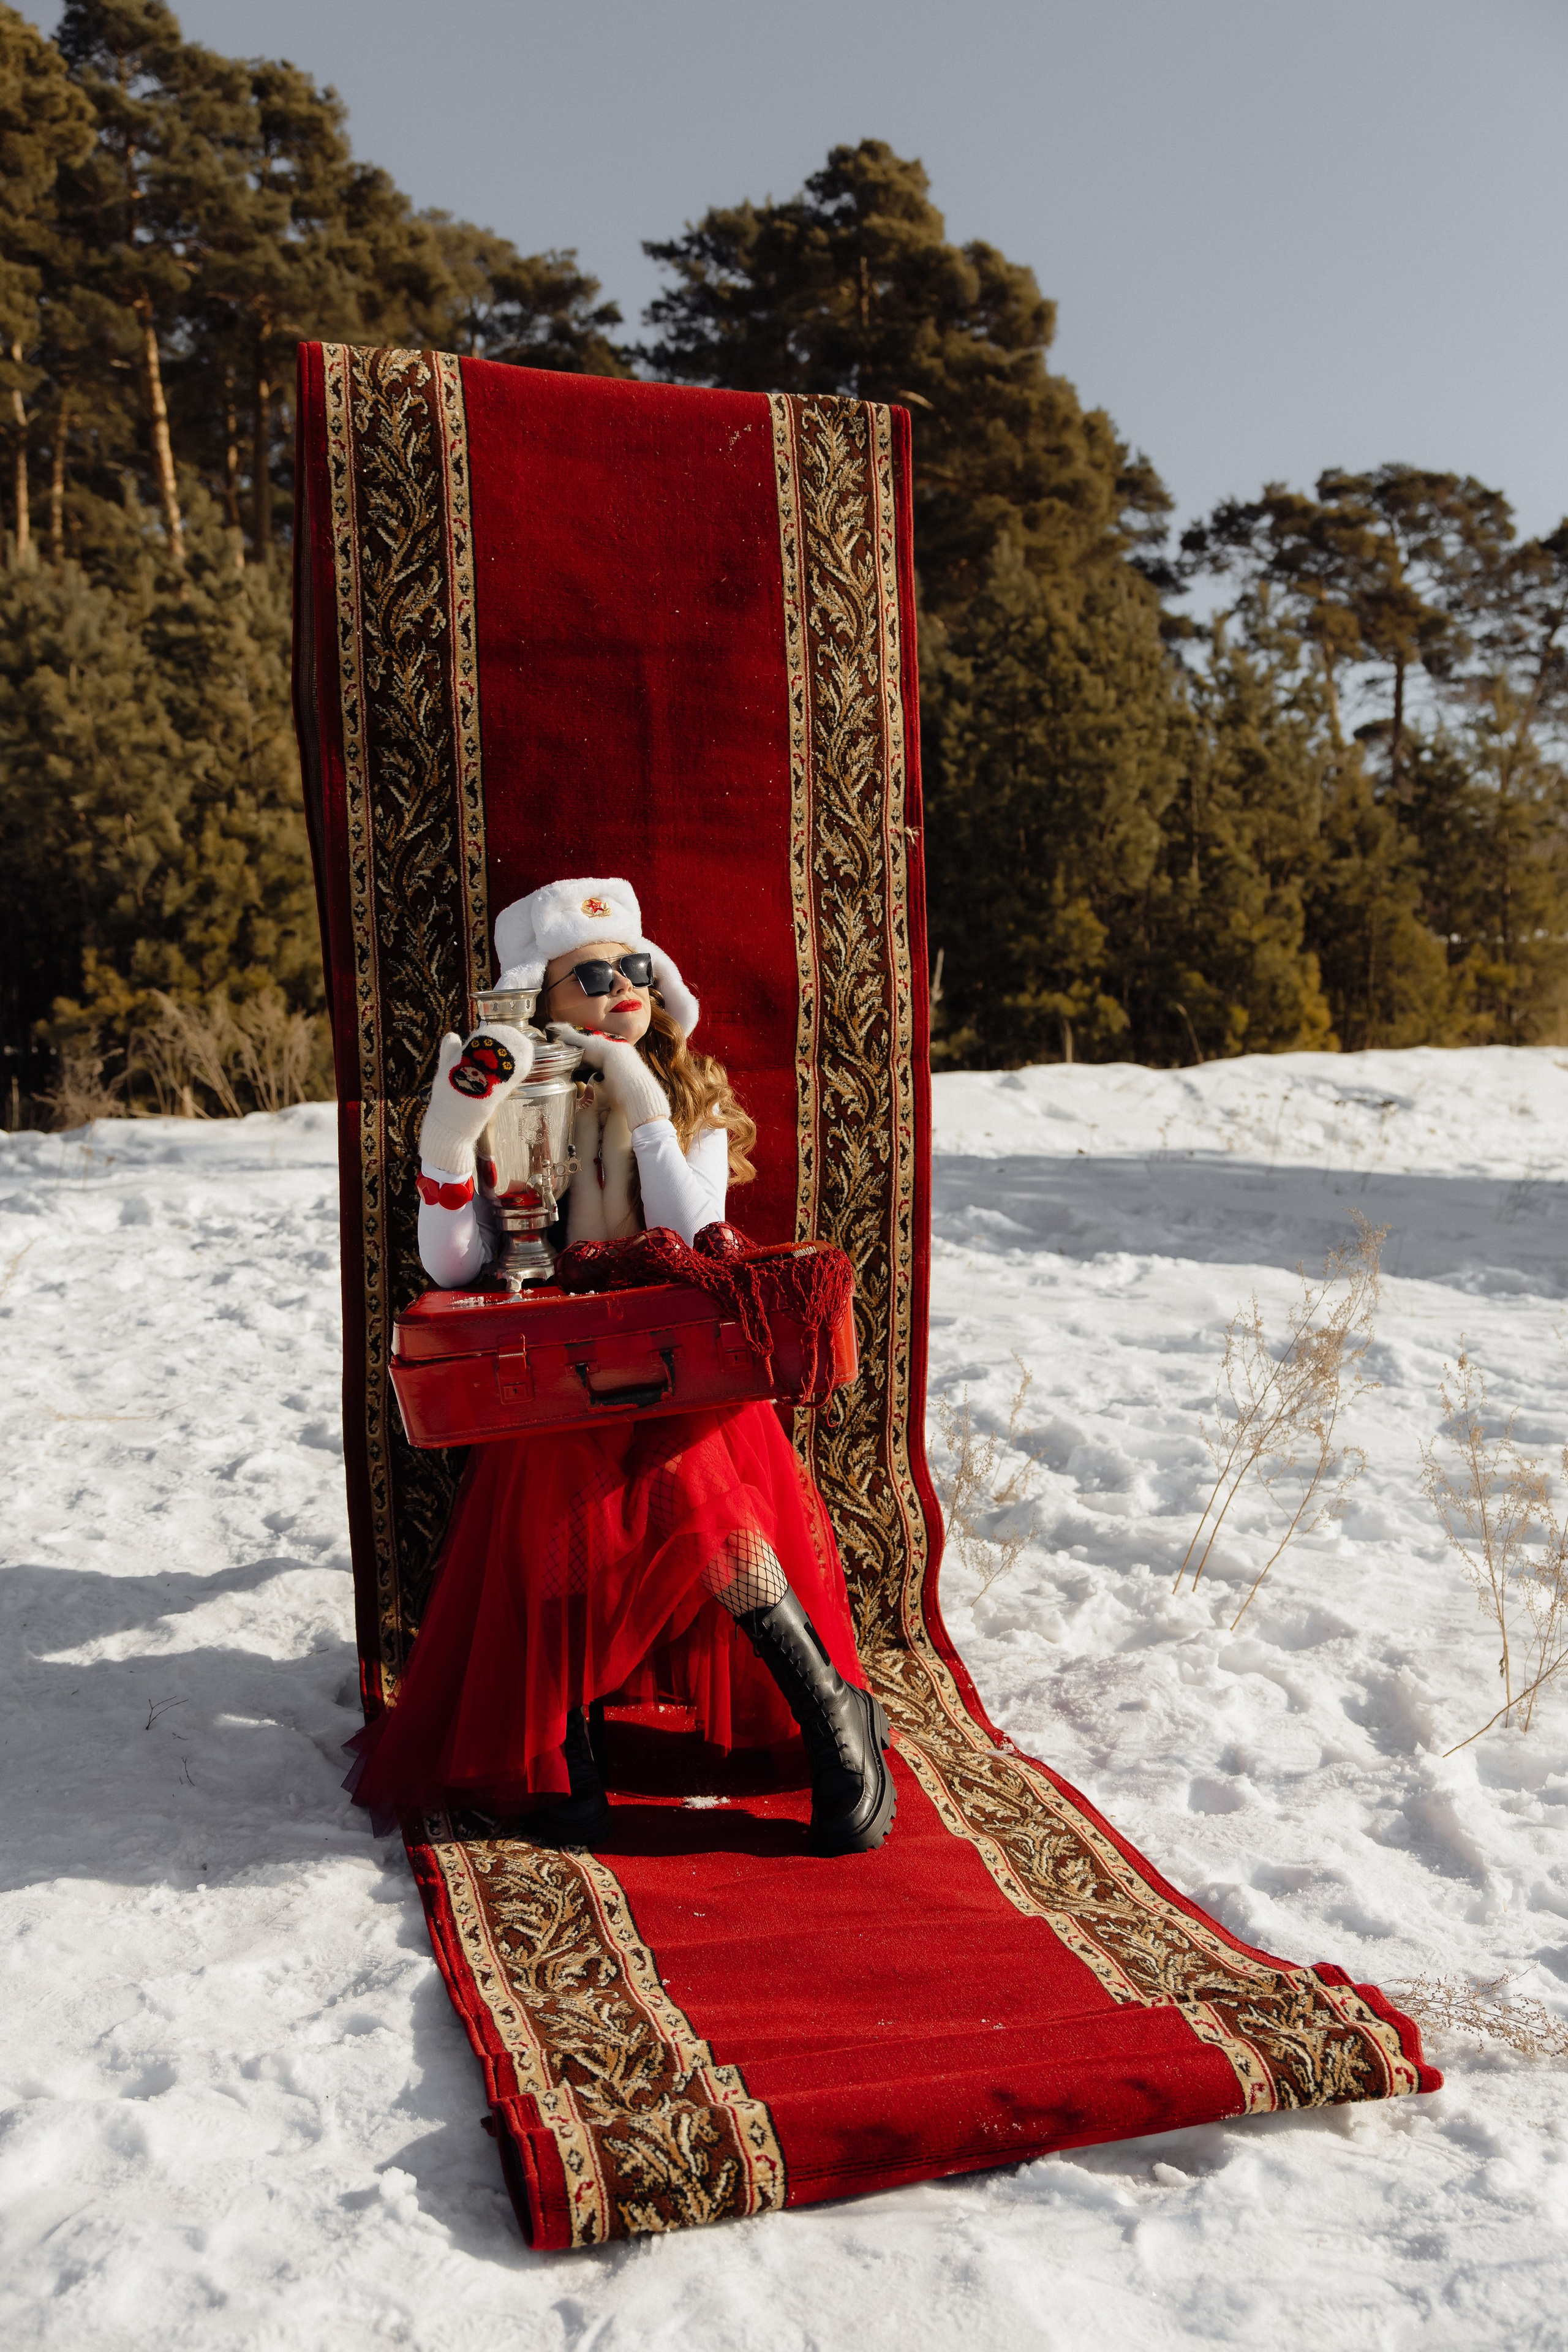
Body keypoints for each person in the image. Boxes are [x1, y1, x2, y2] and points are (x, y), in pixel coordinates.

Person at [347, 876, 895, 1856]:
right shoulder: (518, 1099)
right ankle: (566, 1748)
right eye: (589, 976)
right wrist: (451, 1141)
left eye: (634, 968)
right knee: (548, 1468)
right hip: (559, 1372)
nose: (619, 989)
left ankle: (832, 1711)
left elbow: (703, 1237)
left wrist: (645, 1101)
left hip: (684, 1367)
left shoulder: (694, 1095)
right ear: (539, 1002)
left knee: (684, 1473)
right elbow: (459, 1267)